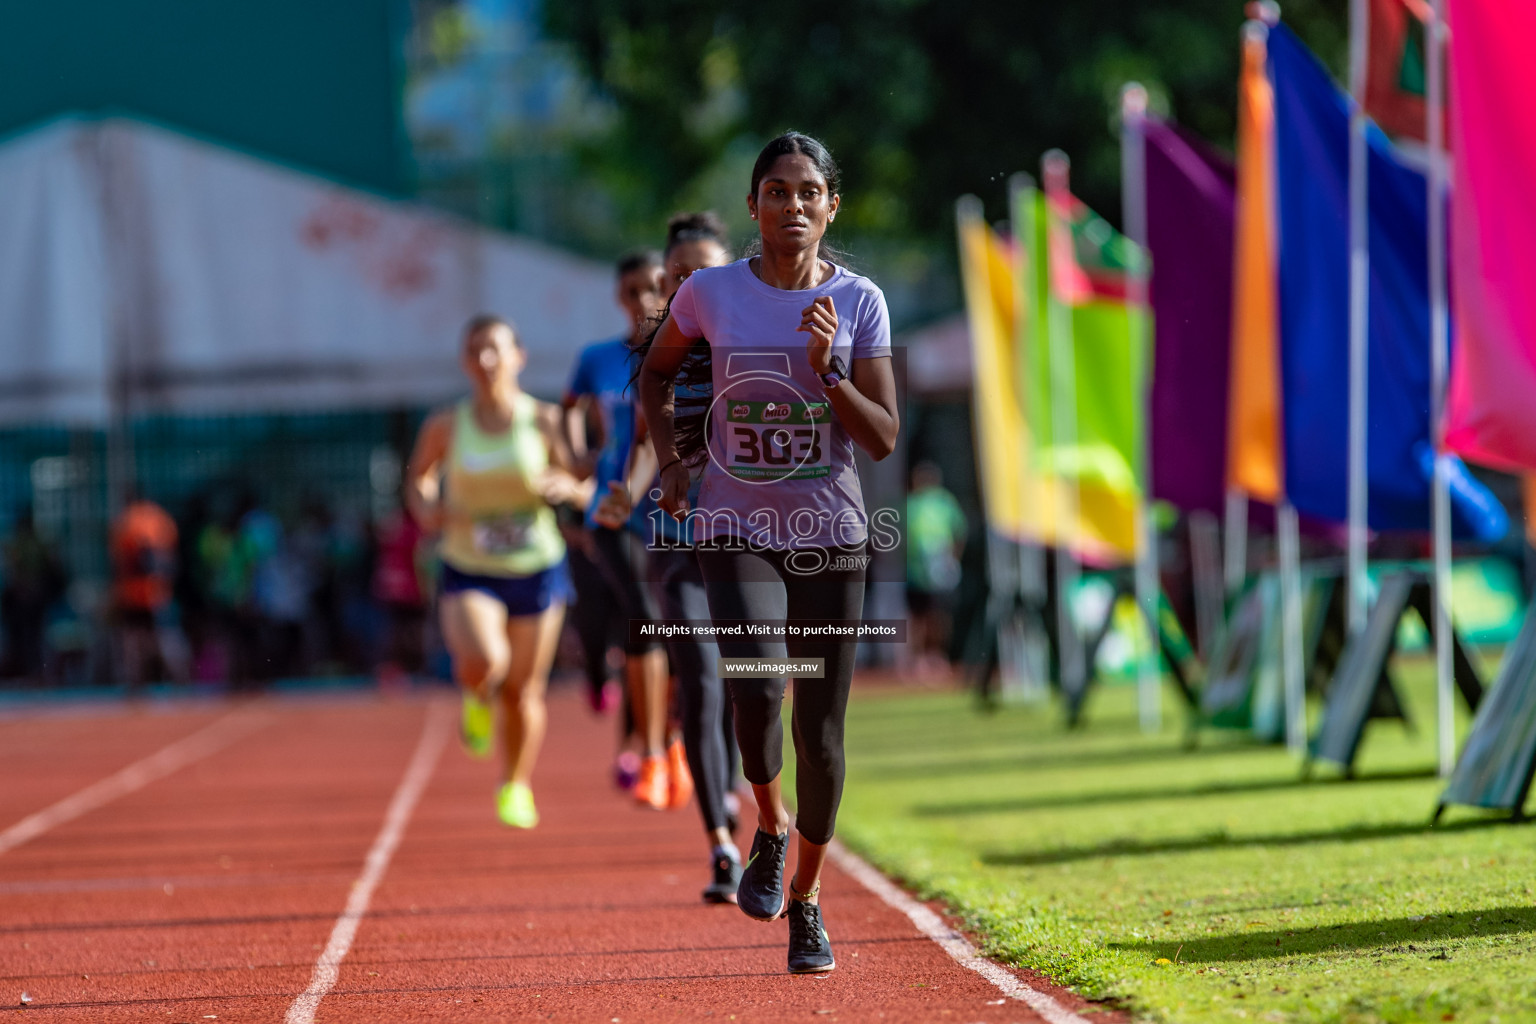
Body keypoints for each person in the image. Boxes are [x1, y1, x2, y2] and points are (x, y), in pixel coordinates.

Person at [639, 133, 899, 974]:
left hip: (830, 534)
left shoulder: (859, 301)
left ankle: (809, 900)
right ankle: (770, 824)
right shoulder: (710, 293)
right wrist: (675, 462)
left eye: (808, 192)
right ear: (753, 206)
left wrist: (829, 373)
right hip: (732, 525)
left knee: (820, 732)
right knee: (758, 692)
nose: (793, 205)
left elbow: (885, 438)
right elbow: (655, 374)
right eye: (777, 191)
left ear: (832, 207)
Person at [599, 211, 745, 903]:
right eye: (680, 272)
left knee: (753, 685)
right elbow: (640, 450)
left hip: (755, 542)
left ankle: (742, 783)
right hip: (680, 541)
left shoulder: (754, 342)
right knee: (702, 681)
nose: (691, 281)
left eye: (705, 270)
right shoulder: (656, 358)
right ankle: (720, 841)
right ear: (666, 278)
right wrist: (624, 498)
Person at [405, 314, 583, 828]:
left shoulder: (545, 420)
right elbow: (419, 478)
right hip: (470, 563)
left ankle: (515, 784)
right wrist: (426, 503)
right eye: (475, 351)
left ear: (517, 357)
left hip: (537, 563)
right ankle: (475, 693)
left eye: (495, 350)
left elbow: (581, 483)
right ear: (464, 361)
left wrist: (565, 488)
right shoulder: (445, 424)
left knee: (525, 690)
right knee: (487, 659)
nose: (485, 361)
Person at [565, 252, 692, 811]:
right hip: (614, 509)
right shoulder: (596, 358)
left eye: (650, 289)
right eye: (631, 291)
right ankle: (652, 749)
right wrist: (578, 459)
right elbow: (565, 410)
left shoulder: (688, 352)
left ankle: (661, 741)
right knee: (643, 616)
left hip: (671, 509)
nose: (642, 300)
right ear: (619, 297)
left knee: (671, 631)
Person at [110, 493, 189, 689]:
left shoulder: (128, 522)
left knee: (142, 640)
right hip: (153, 590)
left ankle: (141, 680)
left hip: (139, 592)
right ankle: (179, 678)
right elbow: (170, 558)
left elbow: (125, 562)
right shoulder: (160, 519)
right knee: (160, 638)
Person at [904, 461, 967, 671]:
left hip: (941, 570)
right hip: (915, 572)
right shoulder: (910, 504)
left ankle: (937, 655)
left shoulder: (945, 502)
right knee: (918, 616)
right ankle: (919, 658)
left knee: (939, 616)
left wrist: (953, 558)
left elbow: (959, 531)